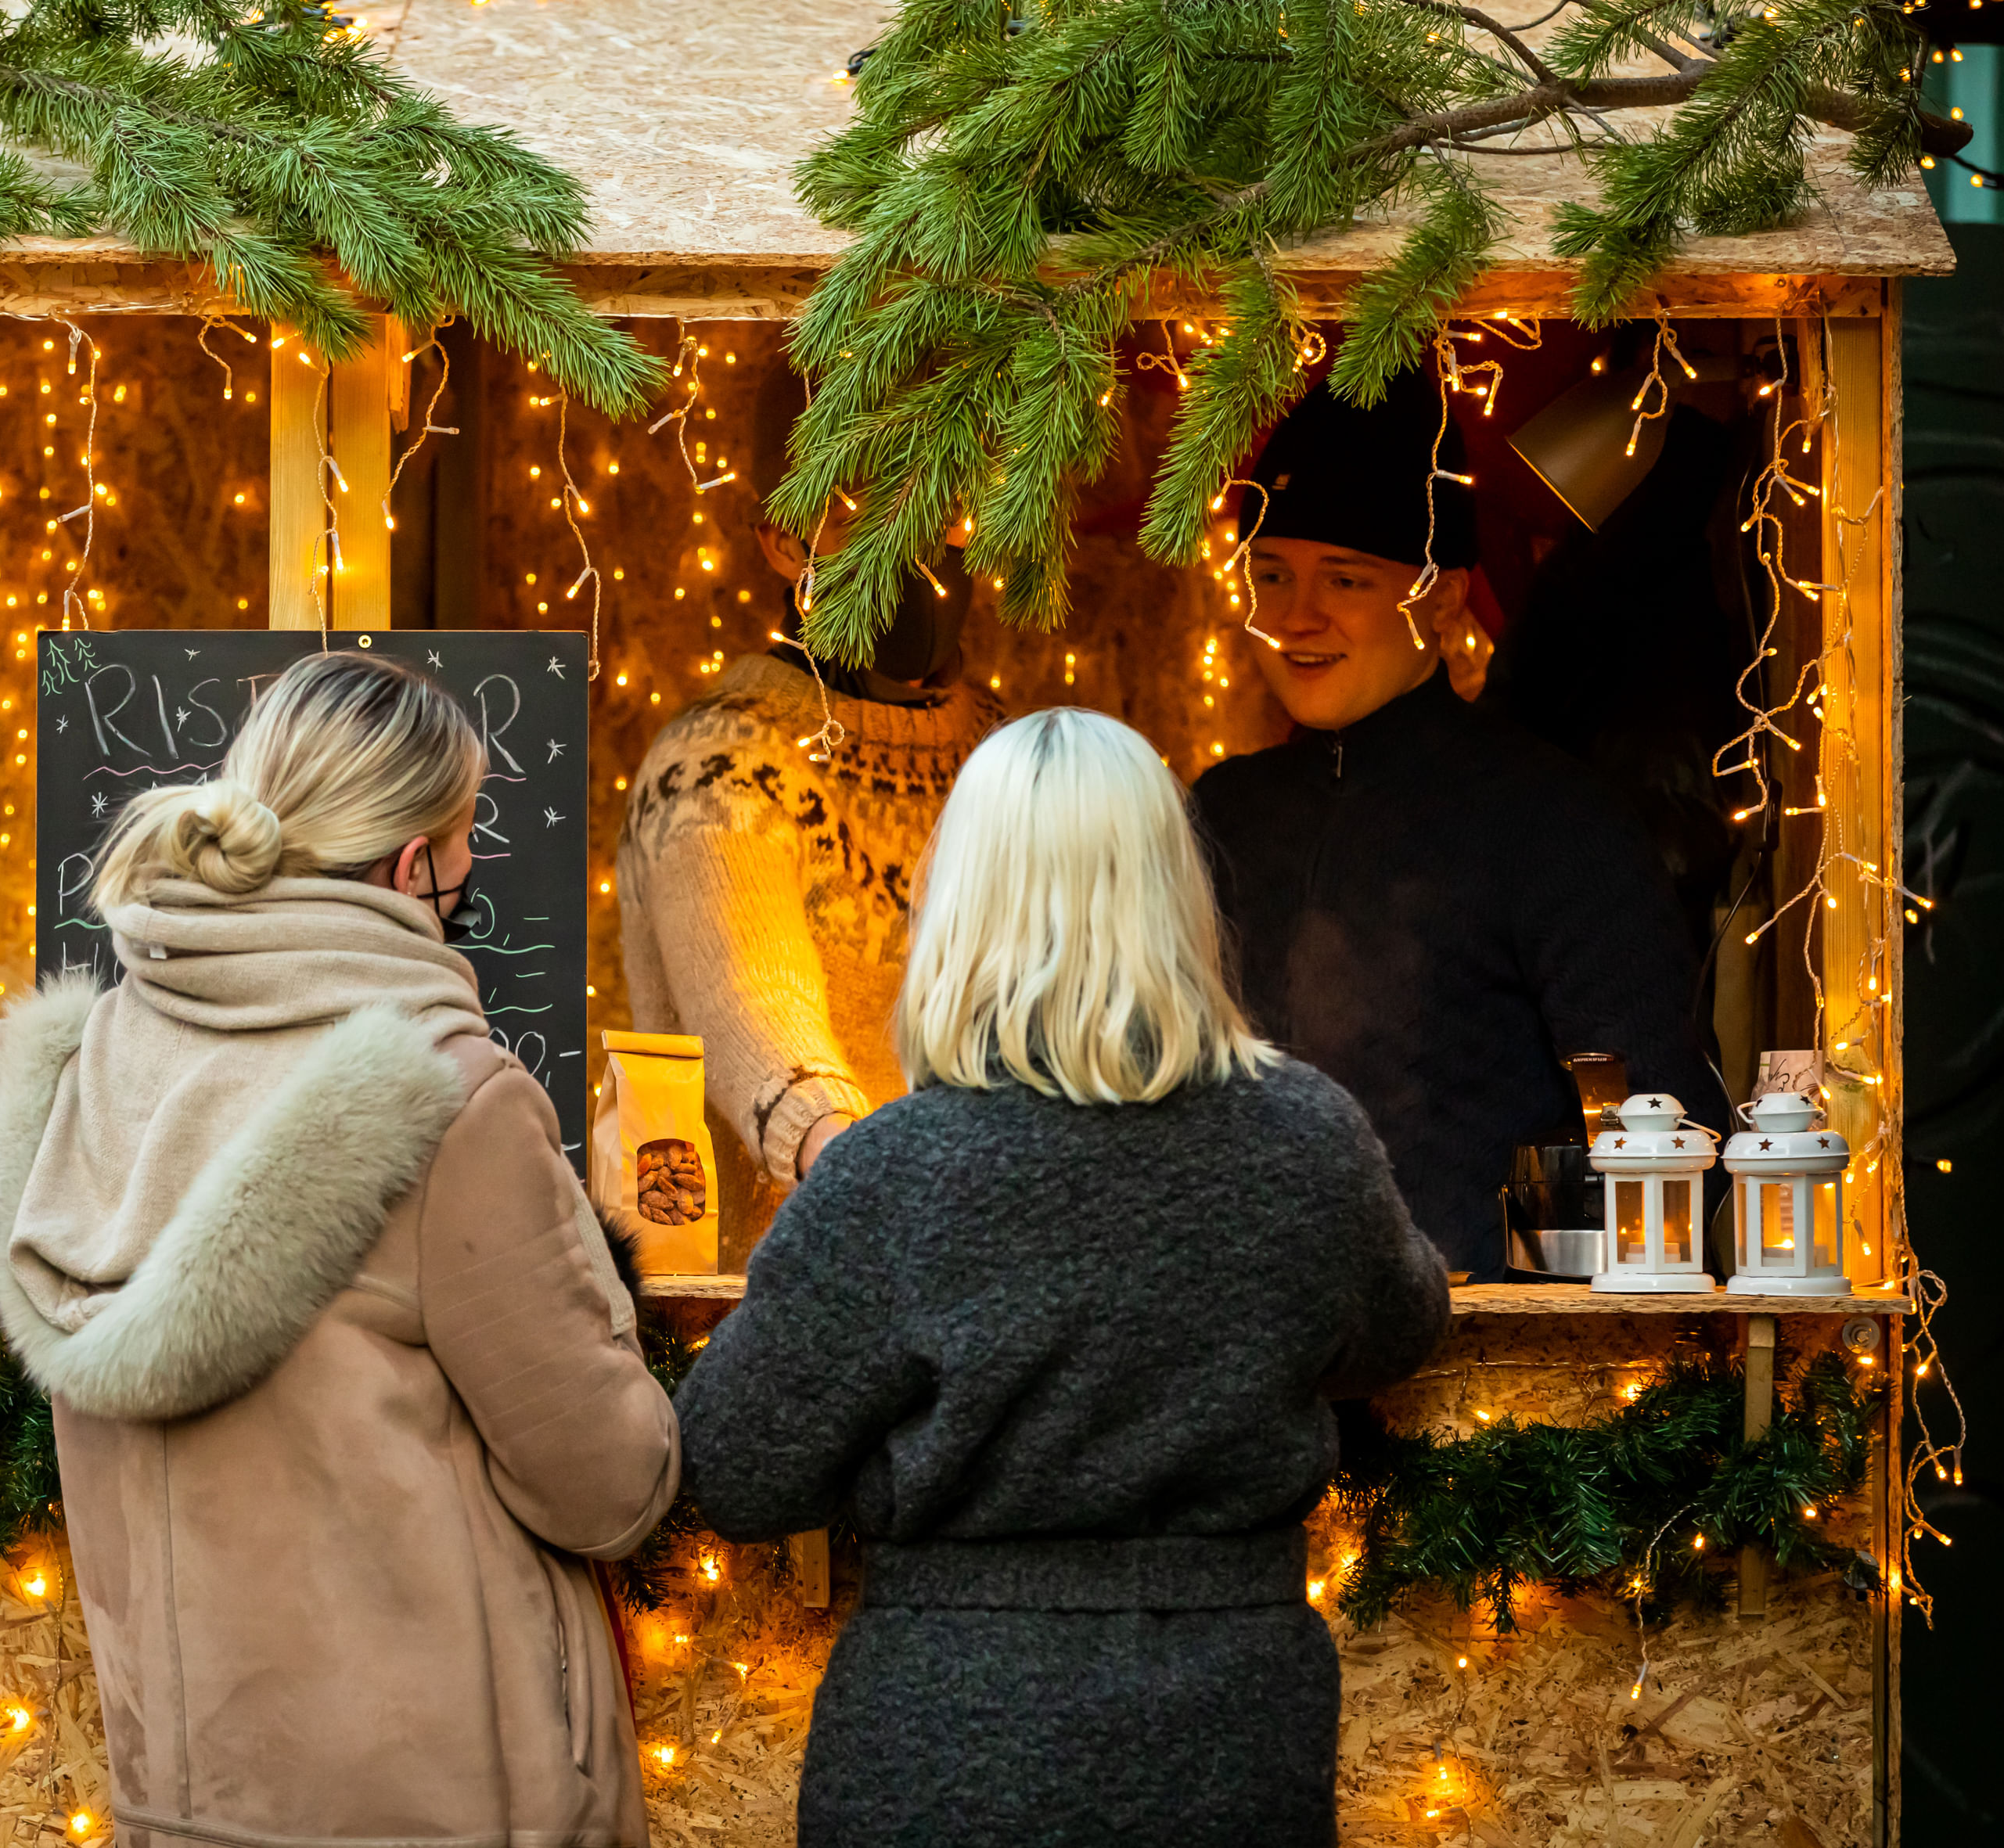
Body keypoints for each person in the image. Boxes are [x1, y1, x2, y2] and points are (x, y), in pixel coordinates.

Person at [675, 707, 1451, 1848]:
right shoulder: (1305, 1139)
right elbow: (1400, 1323)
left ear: (959, 906)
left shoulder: (892, 1172)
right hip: (1225, 1740)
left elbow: (735, 1470)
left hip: (943, 1743)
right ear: (1173, 897)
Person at [0, 653, 678, 1848]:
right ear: (412, 869)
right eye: (462, 868)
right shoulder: (450, 1100)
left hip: (192, 1808)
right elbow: (607, 1484)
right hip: (454, 1806)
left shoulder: (81, 1074)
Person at [1193, 378, 1729, 1281]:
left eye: (1347, 578)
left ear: (1444, 600)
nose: (1295, 616)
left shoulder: (1552, 821)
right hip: (1237, 1361)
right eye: (1273, 573)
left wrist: (1513, 1289)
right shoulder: (1218, 811)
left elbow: (1661, 1130)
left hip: (1481, 1379)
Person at [617, 515, 1000, 1253]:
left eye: (944, 507)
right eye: (867, 507)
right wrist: (846, 1155)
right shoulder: (714, 765)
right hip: (774, 1301)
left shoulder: (1002, 754)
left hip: (978, 1292)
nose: (919, 546)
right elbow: (753, 1002)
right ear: (783, 543)